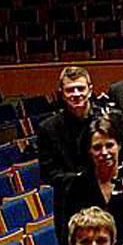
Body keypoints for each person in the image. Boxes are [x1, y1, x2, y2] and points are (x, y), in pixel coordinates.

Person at [56, 117, 123, 245]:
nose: (104, 153)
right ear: (89, 151)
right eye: (97, 147)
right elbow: (69, 237)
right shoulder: (76, 187)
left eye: (109, 145)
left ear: (119, 146)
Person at [35, 66, 101, 202]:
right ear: (62, 93)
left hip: (105, 195)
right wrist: (83, 179)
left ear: (90, 90)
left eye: (81, 88)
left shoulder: (108, 120)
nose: (76, 94)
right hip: (69, 200)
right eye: (70, 90)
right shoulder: (48, 128)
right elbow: (48, 173)